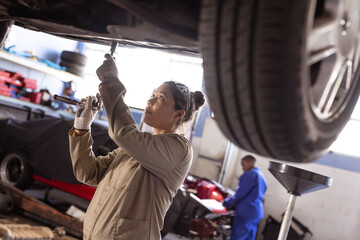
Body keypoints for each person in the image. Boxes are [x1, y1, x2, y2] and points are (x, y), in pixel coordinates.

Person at [68, 53, 205, 240]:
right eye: (152, 95)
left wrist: (111, 81)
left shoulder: (179, 150)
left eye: (161, 98)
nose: (150, 101)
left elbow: (123, 133)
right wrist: (82, 128)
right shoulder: (134, 148)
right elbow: (88, 173)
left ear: (178, 114)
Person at [222, 155, 267, 240]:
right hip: (256, 213)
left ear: (250, 163)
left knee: (237, 237)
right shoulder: (261, 176)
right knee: (249, 238)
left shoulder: (250, 174)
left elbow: (239, 194)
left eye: (243, 165)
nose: (242, 168)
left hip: (245, 213)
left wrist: (226, 202)